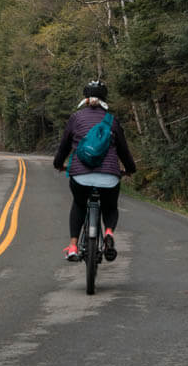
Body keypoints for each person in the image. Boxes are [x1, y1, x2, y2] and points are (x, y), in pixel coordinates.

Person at [53, 79, 137, 262]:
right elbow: (123, 150)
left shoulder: (75, 118)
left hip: (80, 176)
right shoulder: (112, 121)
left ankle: (73, 246)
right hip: (109, 177)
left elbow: (64, 146)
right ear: (104, 98)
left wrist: (59, 164)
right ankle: (108, 233)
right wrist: (130, 169)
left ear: (85, 97)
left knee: (79, 204)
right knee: (110, 206)